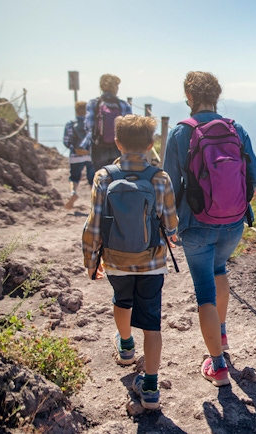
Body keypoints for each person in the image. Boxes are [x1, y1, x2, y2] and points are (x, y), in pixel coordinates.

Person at [163, 71, 256, 387]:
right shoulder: (236, 129)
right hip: (234, 224)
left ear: (189, 97)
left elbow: (166, 185)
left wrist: (169, 224)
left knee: (204, 289)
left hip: (196, 224)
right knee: (220, 270)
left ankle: (217, 367)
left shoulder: (181, 133)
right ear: (217, 96)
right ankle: (221, 333)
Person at [82, 114, 178, 409]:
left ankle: (125, 347)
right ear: (151, 144)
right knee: (151, 322)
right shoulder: (160, 178)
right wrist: (169, 234)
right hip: (151, 262)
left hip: (116, 259)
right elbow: (172, 226)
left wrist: (91, 259)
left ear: (117, 142)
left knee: (121, 300)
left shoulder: (104, 176)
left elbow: (94, 223)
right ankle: (150, 387)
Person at [84, 74, 133, 172]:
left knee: (100, 176)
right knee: (118, 176)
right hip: (118, 146)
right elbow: (130, 127)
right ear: (115, 88)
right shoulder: (124, 105)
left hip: (98, 146)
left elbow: (88, 125)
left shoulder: (94, 103)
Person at [63, 101, 94, 209]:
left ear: (76, 110)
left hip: (75, 156)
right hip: (90, 155)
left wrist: (74, 149)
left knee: (74, 177)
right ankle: (94, 200)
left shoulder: (70, 124)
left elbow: (66, 141)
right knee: (92, 179)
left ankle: (73, 193)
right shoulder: (91, 124)